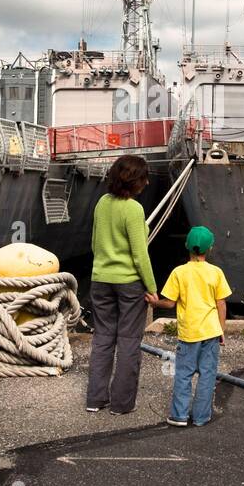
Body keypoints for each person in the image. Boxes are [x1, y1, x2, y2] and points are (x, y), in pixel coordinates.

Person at [85, 154, 158, 415]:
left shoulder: (102, 203)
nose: (147, 183)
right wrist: (151, 288)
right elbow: (140, 254)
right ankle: (121, 404)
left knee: (103, 338)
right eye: (144, 178)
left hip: (100, 280)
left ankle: (95, 399)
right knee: (128, 341)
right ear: (136, 181)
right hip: (128, 284)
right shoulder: (134, 209)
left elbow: (94, 244)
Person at [148, 225, 231, 427]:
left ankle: (179, 416)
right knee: (207, 374)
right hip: (211, 331)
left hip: (188, 333)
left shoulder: (179, 272)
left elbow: (169, 302)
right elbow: (221, 303)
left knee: (184, 374)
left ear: (187, 247)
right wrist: (221, 330)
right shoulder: (216, 272)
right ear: (209, 248)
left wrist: (154, 302)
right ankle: (202, 416)